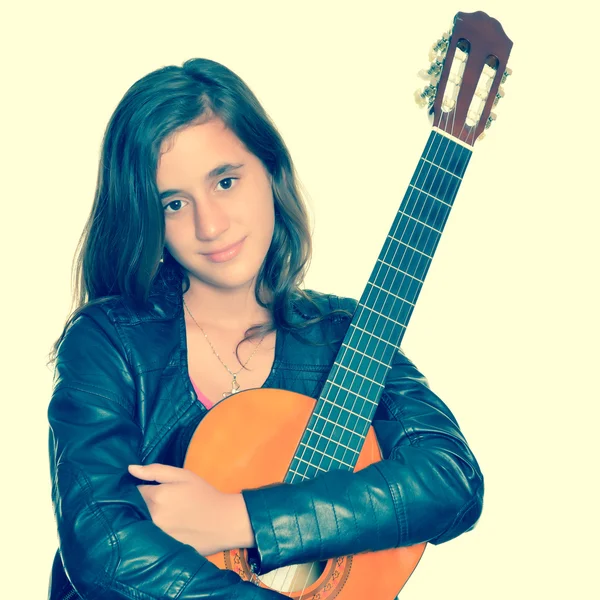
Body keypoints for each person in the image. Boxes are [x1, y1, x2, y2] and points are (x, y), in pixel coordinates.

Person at [47, 58, 484, 599]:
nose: (211, 225)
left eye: (226, 181)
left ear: (270, 170)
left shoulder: (349, 334)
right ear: (147, 220)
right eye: (175, 204)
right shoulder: (109, 342)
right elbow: (101, 547)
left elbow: (451, 482)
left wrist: (237, 518)